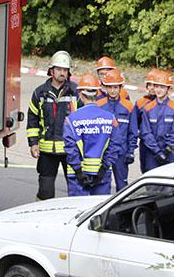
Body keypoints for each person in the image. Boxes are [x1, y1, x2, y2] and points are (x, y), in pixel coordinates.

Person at [26, 50, 78, 200]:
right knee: (45, 192)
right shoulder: (40, 93)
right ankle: (41, 220)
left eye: (65, 70)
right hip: (47, 151)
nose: (62, 73)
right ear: (51, 71)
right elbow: (33, 118)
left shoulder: (75, 93)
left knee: (75, 190)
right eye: (59, 69)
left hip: (70, 150)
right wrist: (33, 143)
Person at [63, 74, 121, 196]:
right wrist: (103, 169)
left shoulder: (71, 120)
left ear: (80, 94)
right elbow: (115, 146)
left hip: (77, 176)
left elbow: (70, 148)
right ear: (97, 93)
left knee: (78, 211)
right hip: (102, 174)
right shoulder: (110, 118)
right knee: (99, 211)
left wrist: (79, 171)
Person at [96, 69, 137, 192]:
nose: (113, 90)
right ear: (105, 87)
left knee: (122, 186)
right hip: (104, 153)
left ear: (120, 87)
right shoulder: (99, 105)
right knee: (102, 184)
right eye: (110, 87)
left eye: (115, 87)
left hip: (121, 153)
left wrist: (130, 151)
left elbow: (133, 131)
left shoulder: (129, 106)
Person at [139, 70, 174, 171]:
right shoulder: (148, 108)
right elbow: (146, 132)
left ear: (168, 89)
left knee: (167, 184)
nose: (158, 90)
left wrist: (167, 151)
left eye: (162, 87)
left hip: (169, 153)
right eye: (156, 86)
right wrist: (157, 152)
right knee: (152, 183)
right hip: (152, 153)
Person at [135, 68, 160, 171]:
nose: (152, 88)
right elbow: (134, 124)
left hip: (159, 142)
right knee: (145, 169)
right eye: (150, 85)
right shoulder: (140, 103)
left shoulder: (166, 105)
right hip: (145, 143)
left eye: (155, 85)